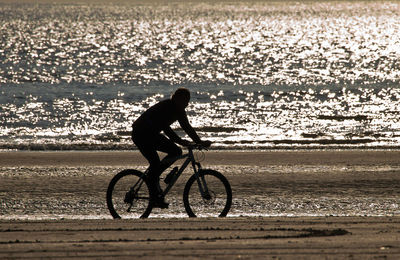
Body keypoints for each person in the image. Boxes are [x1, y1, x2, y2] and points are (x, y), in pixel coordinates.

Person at [132, 88, 211, 208]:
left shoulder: (180, 111)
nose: (187, 104)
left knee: (175, 151)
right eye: (185, 101)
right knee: (156, 162)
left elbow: (187, 127)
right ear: (177, 99)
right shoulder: (167, 106)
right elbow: (166, 129)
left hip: (152, 134)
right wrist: (180, 141)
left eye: (188, 101)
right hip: (141, 133)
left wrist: (199, 142)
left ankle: (154, 177)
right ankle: (154, 190)